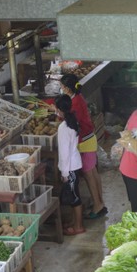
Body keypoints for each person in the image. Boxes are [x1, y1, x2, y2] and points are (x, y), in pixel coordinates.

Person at [59, 73, 107, 219]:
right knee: (93, 173)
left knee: (89, 175)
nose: (60, 88)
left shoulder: (74, 103)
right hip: (89, 138)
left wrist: (61, 116)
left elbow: (74, 123)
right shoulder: (78, 98)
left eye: (61, 86)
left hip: (84, 142)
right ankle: (100, 203)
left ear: (67, 89)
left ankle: (98, 206)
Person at [55, 94, 85, 236]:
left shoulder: (63, 127)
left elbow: (64, 153)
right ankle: (75, 222)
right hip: (75, 164)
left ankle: (78, 226)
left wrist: (64, 173)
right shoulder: (72, 122)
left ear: (59, 109)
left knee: (74, 198)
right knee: (74, 195)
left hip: (70, 167)